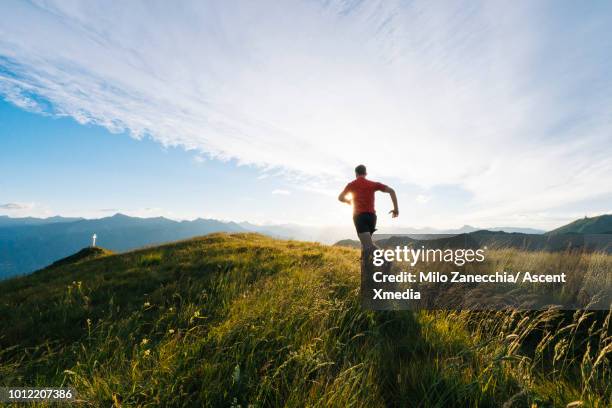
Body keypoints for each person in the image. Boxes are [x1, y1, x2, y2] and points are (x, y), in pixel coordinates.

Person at [338, 164, 398, 251]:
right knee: (365, 243)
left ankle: (386, 261)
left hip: (359, 217)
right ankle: (365, 264)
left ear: (356, 174)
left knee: (368, 245)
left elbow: (340, 198)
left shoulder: (351, 185)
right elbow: (392, 191)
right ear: (366, 173)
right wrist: (396, 209)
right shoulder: (373, 184)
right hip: (372, 217)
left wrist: (350, 202)